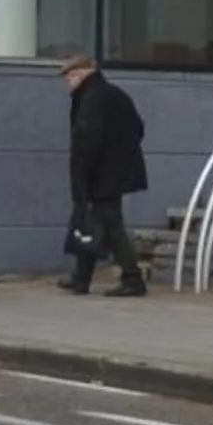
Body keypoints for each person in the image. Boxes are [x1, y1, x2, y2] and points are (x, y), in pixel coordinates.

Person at [59, 53, 149, 297]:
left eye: (69, 78)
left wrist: (82, 176)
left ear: (79, 74)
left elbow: (87, 141)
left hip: (102, 173)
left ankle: (132, 278)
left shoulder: (92, 98)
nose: (68, 83)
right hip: (114, 170)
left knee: (109, 225)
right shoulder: (110, 93)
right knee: (92, 222)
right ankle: (81, 278)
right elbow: (138, 128)